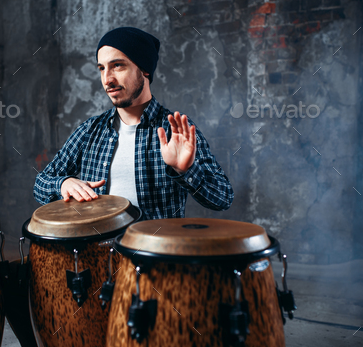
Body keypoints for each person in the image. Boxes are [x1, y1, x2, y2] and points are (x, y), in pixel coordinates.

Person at [33, 27, 233, 220]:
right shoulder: (90, 131)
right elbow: (41, 183)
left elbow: (223, 198)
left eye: (117, 66)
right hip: (99, 252)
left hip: (155, 251)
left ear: (144, 69)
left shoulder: (176, 129)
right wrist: (63, 184)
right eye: (102, 68)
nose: (107, 79)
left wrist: (186, 171)